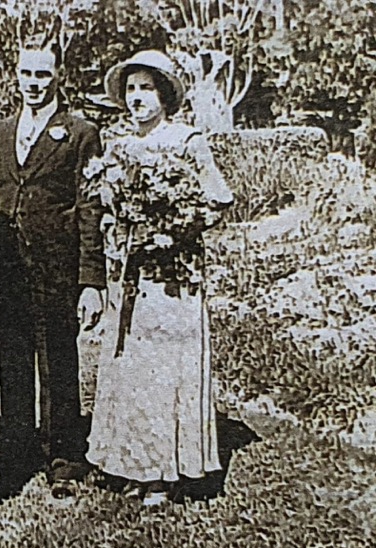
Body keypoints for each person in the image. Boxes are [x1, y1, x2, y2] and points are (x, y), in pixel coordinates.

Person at [85, 50, 233, 505]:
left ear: (165, 94)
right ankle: (135, 465)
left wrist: (175, 230)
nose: (137, 99)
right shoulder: (118, 146)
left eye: (146, 88)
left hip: (173, 275)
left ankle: (167, 472)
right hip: (131, 272)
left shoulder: (187, 140)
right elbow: (107, 205)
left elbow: (219, 198)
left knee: (166, 369)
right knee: (132, 367)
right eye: (131, 90)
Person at [0, 35, 105, 496]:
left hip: (58, 267)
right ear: (16, 75)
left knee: (58, 360)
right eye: (26, 74)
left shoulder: (80, 132)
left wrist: (91, 280)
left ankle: (63, 458)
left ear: (58, 76)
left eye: (42, 74)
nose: (33, 83)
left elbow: (90, 208)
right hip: (8, 266)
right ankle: (17, 453)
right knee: (12, 359)